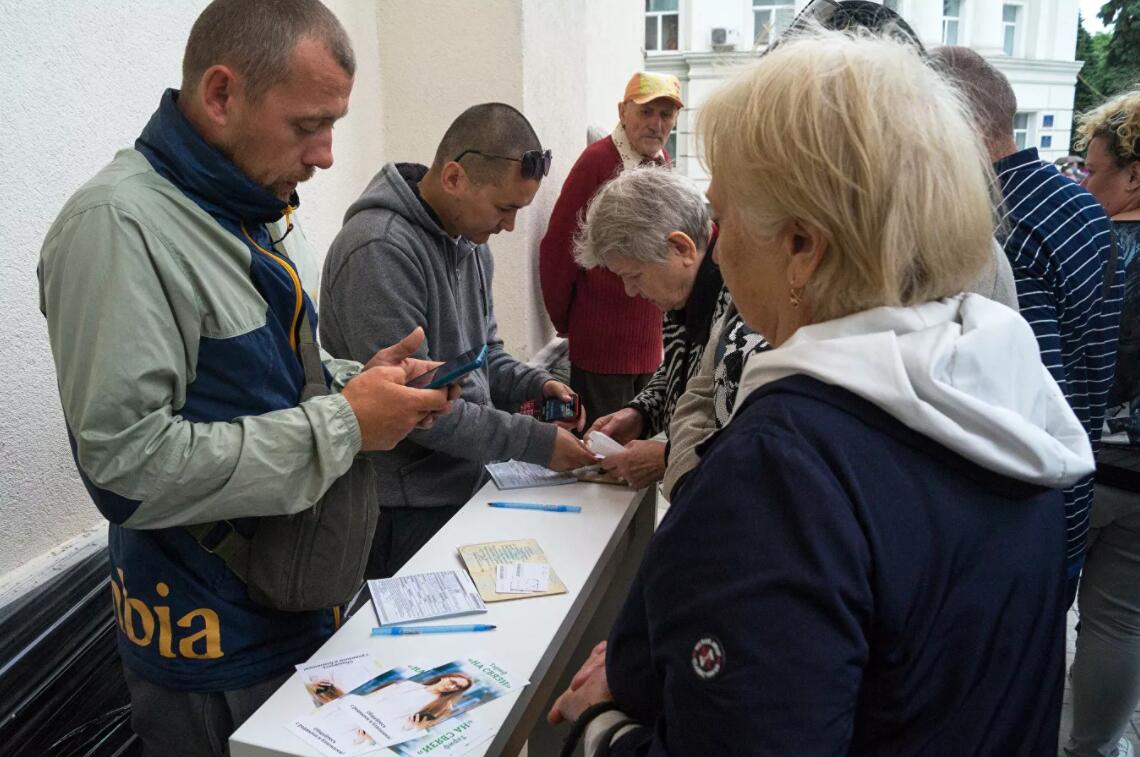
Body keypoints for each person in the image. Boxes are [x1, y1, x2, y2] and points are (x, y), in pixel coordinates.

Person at [547, 29, 1094, 755]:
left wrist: (601, 732)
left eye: (727, 215)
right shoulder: (1002, 391)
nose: (718, 242)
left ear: (803, 247)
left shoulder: (785, 470)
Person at [37, 1, 456, 754]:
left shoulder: (242, 202)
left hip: (297, 610)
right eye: (308, 125)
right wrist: (346, 421)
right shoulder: (117, 226)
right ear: (222, 95)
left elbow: (261, 374)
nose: (327, 153)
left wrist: (363, 381)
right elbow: (125, 468)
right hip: (211, 649)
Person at [320, 103, 596, 579]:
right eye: (505, 208)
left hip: (465, 483)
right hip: (399, 510)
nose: (509, 226)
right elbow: (418, 412)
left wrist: (535, 386)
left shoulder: (470, 246)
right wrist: (537, 441)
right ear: (453, 178)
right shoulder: (379, 251)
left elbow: (484, 358)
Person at [933, 47, 1123, 605]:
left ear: (956, 122)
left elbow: (1020, 394)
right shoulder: (1075, 199)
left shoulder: (995, 223)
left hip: (1024, 521)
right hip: (1068, 497)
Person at [572, 166, 768, 489]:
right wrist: (639, 414)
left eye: (633, 276)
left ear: (681, 249)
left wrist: (664, 457)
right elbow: (678, 374)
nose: (630, 292)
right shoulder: (681, 293)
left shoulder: (744, 302)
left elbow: (744, 443)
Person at [539, 71, 683, 426]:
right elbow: (559, 247)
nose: (656, 124)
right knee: (602, 457)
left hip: (648, 348)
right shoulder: (598, 161)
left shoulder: (661, 162)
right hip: (601, 347)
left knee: (640, 455)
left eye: (666, 115)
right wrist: (564, 319)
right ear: (622, 112)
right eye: (646, 112)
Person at [1066, 87, 1140, 757]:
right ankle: (1090, 749)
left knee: (1034, 605)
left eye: (1092, 170)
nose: (1084, 183)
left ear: (1133, 175)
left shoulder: (1094, 244)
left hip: (1085, 459)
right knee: (1120, 624)